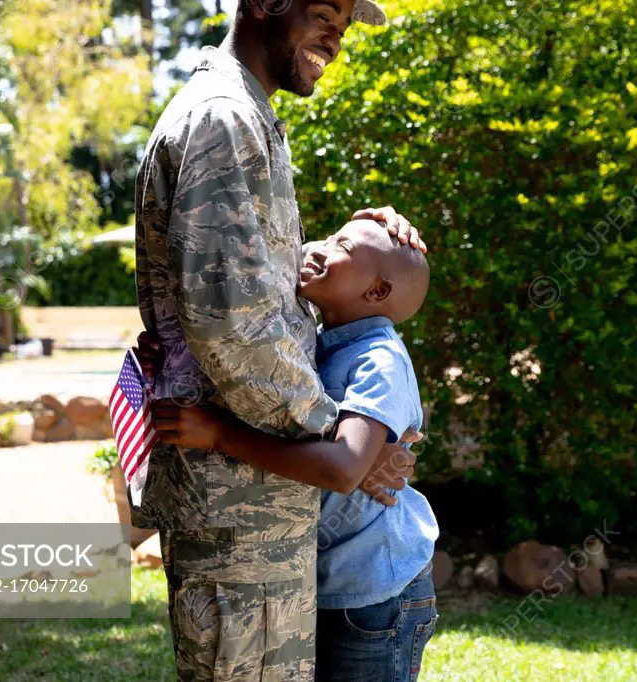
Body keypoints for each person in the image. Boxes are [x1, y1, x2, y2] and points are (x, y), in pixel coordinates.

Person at [129, 0, 427, 679]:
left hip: (255, 507)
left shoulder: (245, 118)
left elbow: (255, 281)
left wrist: (367, 237)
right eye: (325, 13)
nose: (336, 38)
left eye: (345, 26)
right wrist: (346, 439)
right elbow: (234, 329)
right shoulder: (225, 120)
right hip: (240, 519)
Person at [151, 218, 440, 682]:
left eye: (340, 244)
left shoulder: (378, 361)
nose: (317, 247)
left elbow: (344, 468)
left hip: (375, 593)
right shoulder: (318, 341)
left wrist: (220, 435)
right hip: (331, 580)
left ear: (378, 291)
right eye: (326, 236)